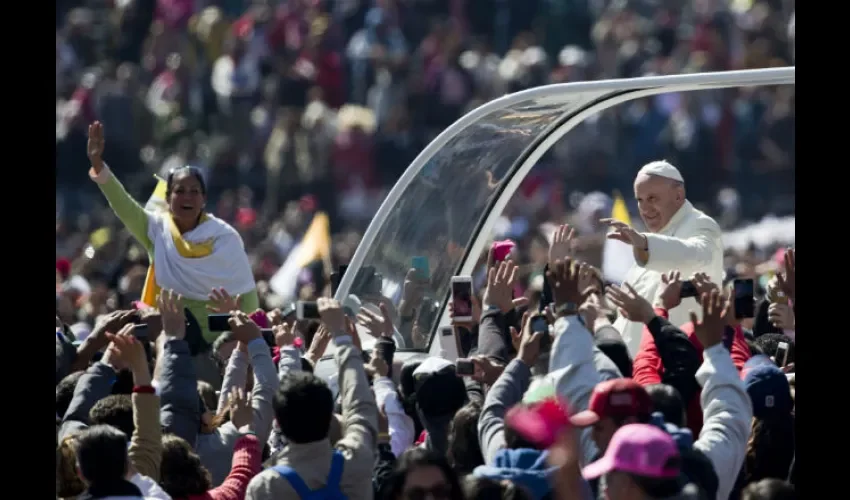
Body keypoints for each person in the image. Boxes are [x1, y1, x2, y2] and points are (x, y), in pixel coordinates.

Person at [86, 121, 259, 345]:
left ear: (204, 199)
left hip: (219, 348)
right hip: (169, 344)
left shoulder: (226, 238)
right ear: (168, 199)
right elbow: (123, 204)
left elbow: (249, 299)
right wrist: (98, 165)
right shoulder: (156, 230)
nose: (187, 197)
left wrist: (238, 317)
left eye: (194, 191)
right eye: (180, 191)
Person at [602, 160, 724, 355]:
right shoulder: (649, 245)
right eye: (640, 200)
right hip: (640, 368)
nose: (645, 208)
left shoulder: (701, 224)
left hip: (675, 365)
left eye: (652, 198)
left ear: (678, 195)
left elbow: (699, 255)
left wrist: (644, 243)